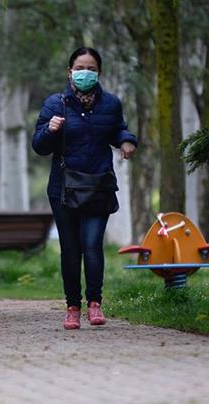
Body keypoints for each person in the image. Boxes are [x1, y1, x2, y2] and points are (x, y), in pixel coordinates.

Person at [32, 47, 137, 330]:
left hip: (98, 185)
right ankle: (72, 306)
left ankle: (95, 303)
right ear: (70, 72)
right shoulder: (55, 104)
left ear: (98, 72)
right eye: (80, 68)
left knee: (92, 245)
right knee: (70, 249)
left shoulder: (111, 103)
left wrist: (127, 142)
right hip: (64, 187)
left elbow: (117, 129)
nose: (85, 73)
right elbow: (39, 146)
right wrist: (50, 130)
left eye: (91, 68)